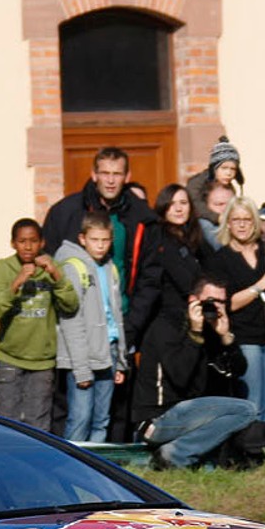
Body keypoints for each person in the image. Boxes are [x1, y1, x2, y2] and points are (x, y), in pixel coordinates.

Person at [132, 276, 257, 468]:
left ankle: (181, 454)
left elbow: (238, 371)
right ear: (193, 300)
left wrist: (226, 338)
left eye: (222, 302)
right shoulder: (168, 325)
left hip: (188, 416)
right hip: (157, 418)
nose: (216, 307)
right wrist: (195, 335)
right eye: (210, 301)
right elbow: (180, 377)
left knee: (211, 462)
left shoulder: (213, 330)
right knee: (246, 410)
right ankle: (176, 455)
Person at [209, 197, 265, 432]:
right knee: (252, 405)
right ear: (228, 223)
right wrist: (260, 286)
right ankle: (252, 453)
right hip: (245, 338)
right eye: (236, 219)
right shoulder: (220, 259)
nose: (242, 225)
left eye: (247, 219)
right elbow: (227, 303)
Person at [0, 217, 79, 431]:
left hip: (42, 362)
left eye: (33, 241)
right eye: (22, 241)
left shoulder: (51, 268)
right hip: (9, 358)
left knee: (38, 424)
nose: (28, 246)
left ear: (42, 243)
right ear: (13, 243)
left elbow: (71, 304)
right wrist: (17, 283)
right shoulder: (4, 267)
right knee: (6, 422)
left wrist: (56, 275)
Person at [55, 212, 125, 443]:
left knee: (101, 420)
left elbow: (116, 316)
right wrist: (81, 369)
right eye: (95, 240)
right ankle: (69, 469)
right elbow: (71, 322)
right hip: (84, 357)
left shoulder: (110, 268)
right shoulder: (74, 267)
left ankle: (95, 472)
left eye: (105, 240)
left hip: (109, 350)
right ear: (82, 238)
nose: (100, 246)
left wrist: (121, 360)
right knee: (80, 418)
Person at [42, 147, 157, 286]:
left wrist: (138, 308)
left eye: (117, 174)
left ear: (127, 177)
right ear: (94, 175)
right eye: (105, 173)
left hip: (126, 305)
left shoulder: (142, 217)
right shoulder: (65, 212)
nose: (110, 180)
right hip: (78, 303)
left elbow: (150, 272)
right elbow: (48, 258)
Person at [125, 185, 206, 348]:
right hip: (168, 323)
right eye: (171, 204)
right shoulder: (160, 238)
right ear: (163, 208)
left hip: (189, 318)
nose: (178, 209)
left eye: (183, 202)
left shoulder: (192, 238)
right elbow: (186, 282)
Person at [184, 135, 244, 222]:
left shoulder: (228, 185)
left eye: (233, 169)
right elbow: (194, 204)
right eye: (224, 168)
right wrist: (216, 217)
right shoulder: (196, 183)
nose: (229, 173)